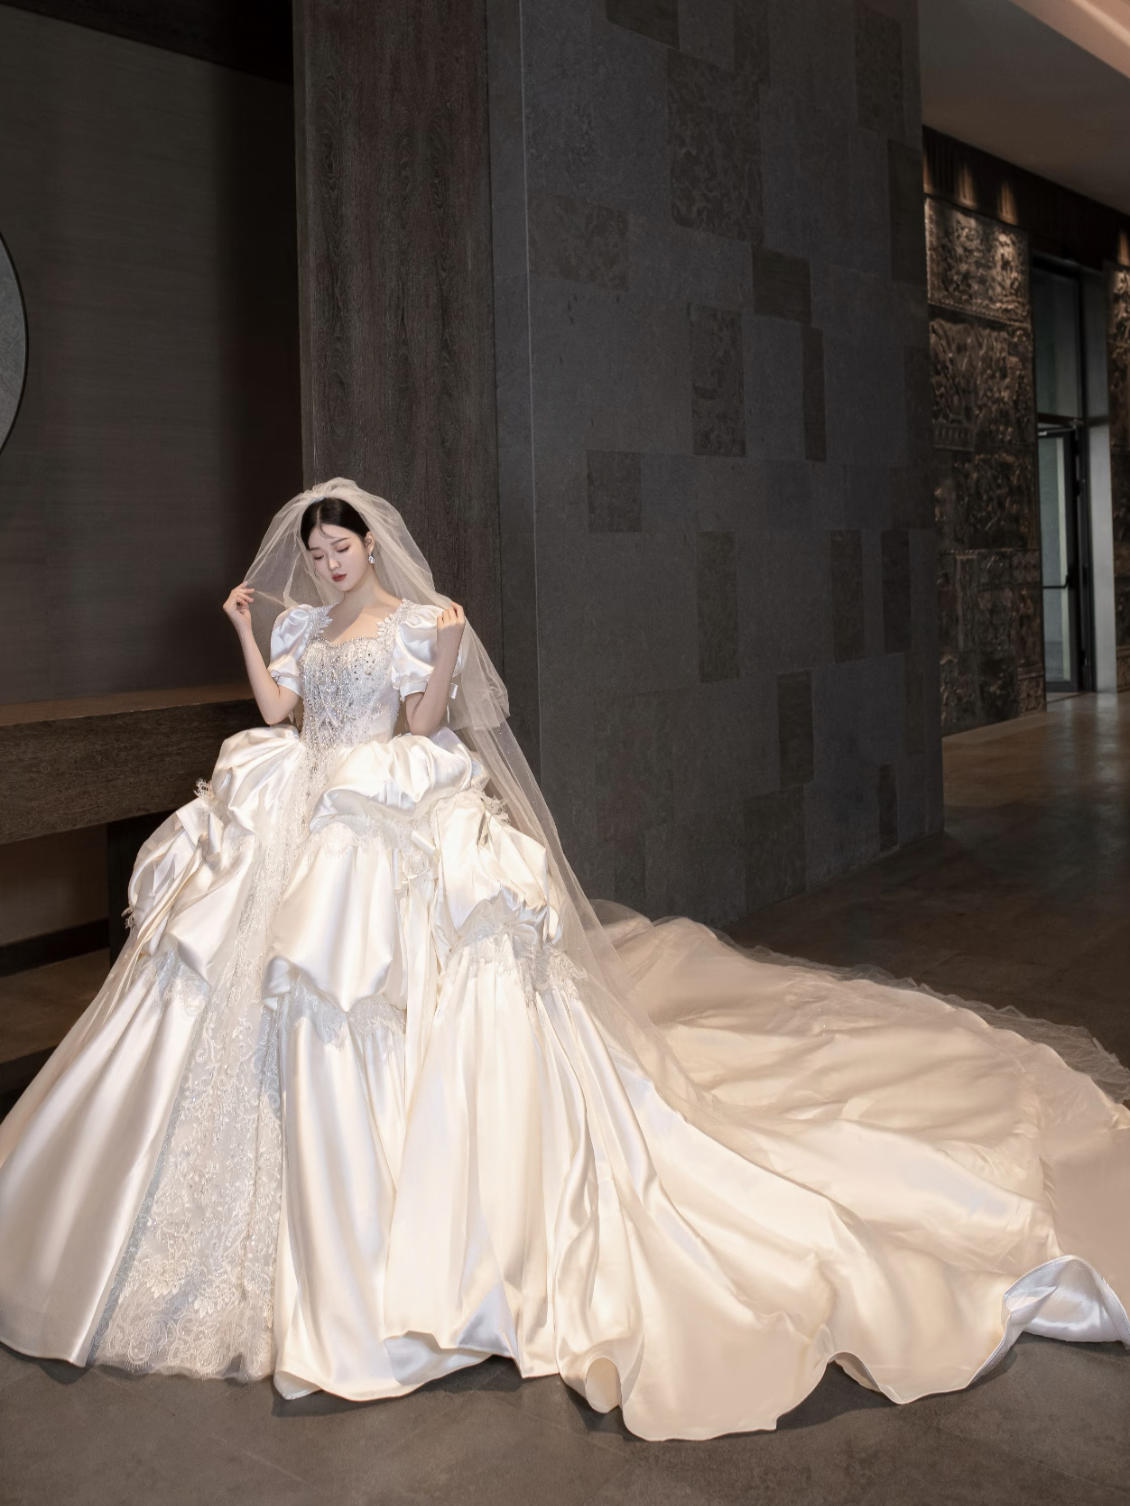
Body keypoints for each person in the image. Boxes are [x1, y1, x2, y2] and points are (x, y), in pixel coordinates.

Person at [0, 479, 1127, 1443]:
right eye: (318, 553)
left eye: (340, 549)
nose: (329, 565)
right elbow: (278, 709)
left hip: (374, 814)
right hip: (299, 802)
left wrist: (445, 648)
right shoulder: (305, 625)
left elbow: (422, 725)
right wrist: (251, 627)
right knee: (239, 981)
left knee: (366, 983)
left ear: (371, 545)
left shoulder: (415, 619)